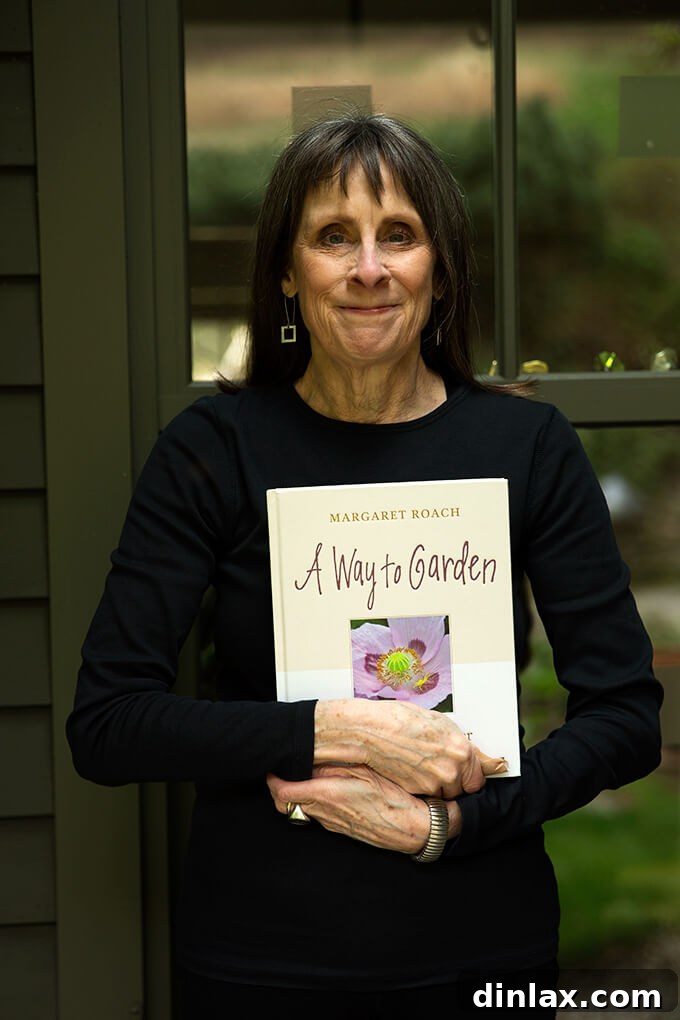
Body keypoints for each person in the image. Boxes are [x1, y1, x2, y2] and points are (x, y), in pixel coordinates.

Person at [67, 114, 663, 1017]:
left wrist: (452, 825)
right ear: (285, 268)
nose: (369, 269)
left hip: (483, 947)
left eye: (401, 236)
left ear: (441, 266)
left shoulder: (527, 446)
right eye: (332, 237)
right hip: (260, 961)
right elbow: (109, 724)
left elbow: (625, 715)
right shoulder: (214, 451)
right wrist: (336, 729)